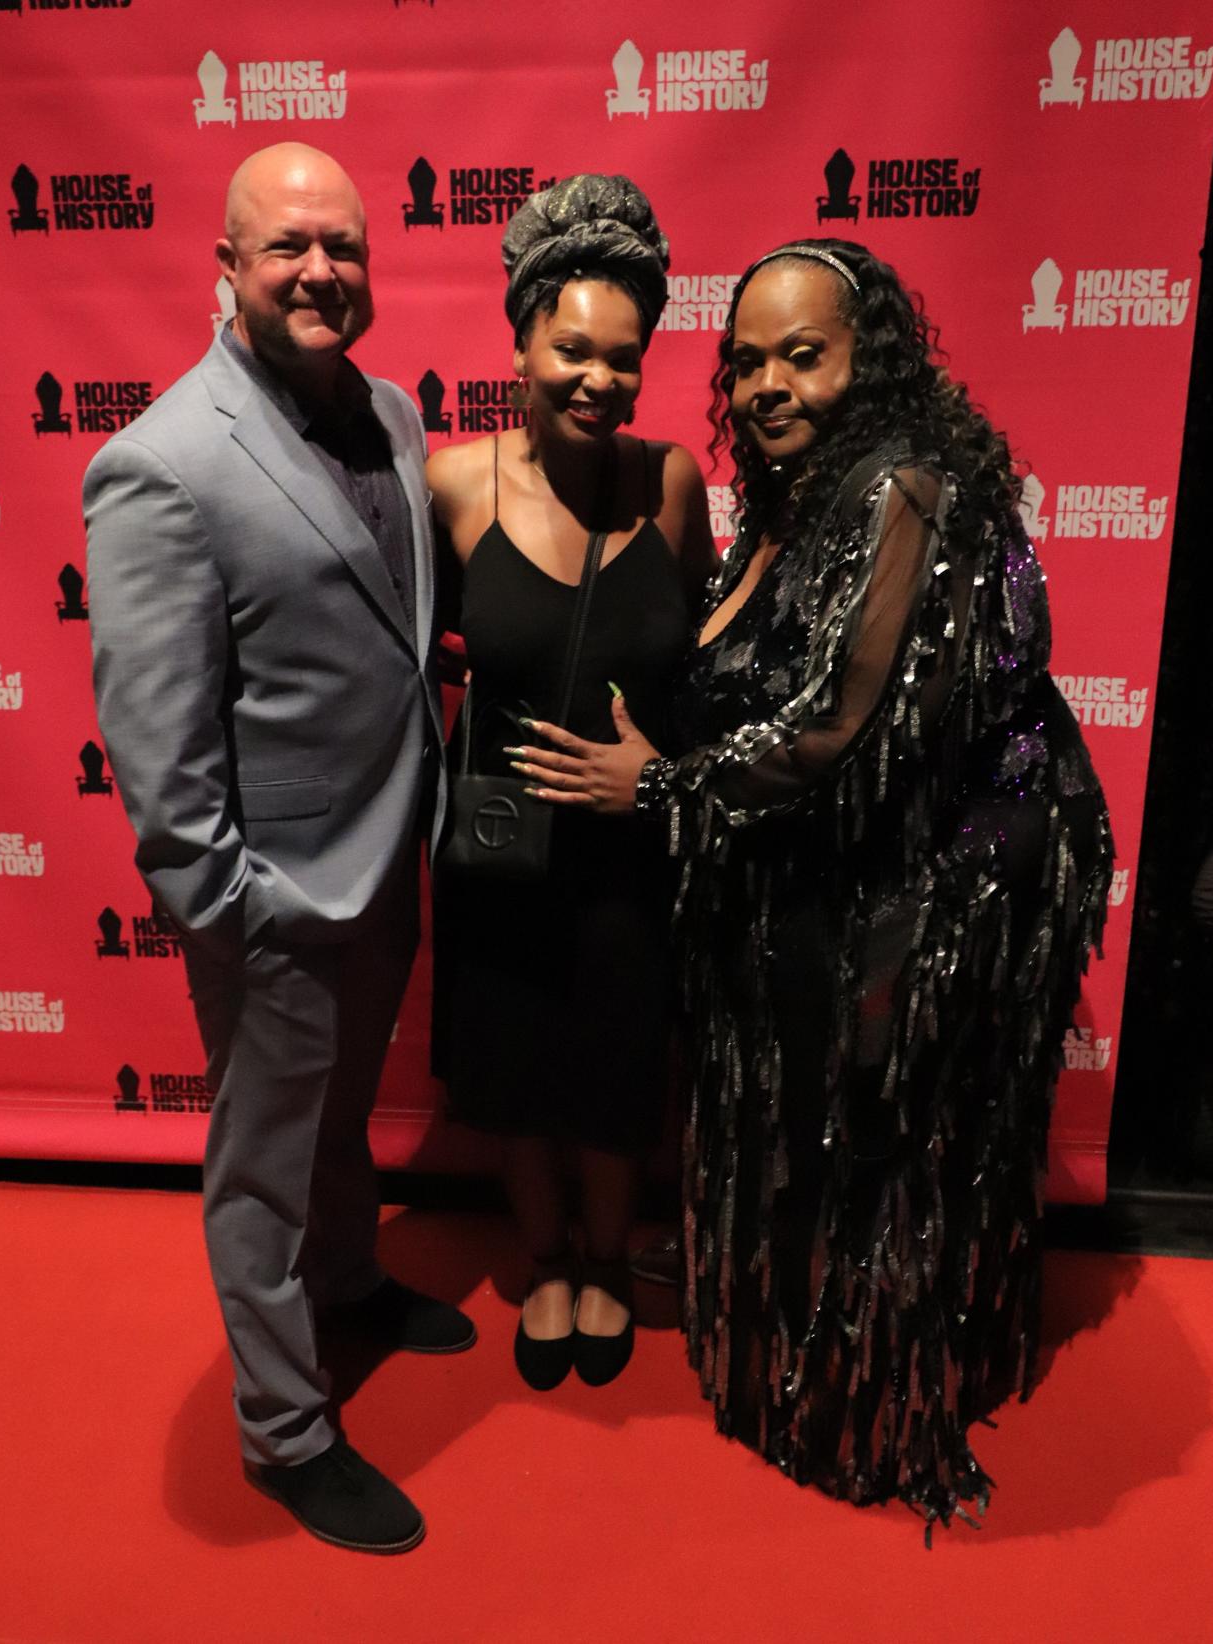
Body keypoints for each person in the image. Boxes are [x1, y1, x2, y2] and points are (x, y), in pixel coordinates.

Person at [515, 238, 1112, 1529]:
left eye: (804, 354)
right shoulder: (793, 497)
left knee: (872, 1125)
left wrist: (656, 789)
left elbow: (838, 727)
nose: (769, 384)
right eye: (747, 361)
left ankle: (855, 1394)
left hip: (942, 873)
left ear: (871, 358)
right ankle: (779, 1334)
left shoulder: (900, 488)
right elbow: (765, 685)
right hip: (835, 852)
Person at [83, 142, 475, 1556]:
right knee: (260, 1163)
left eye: (345, 248)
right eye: (287, 247)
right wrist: (227, 907)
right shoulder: (162, 465)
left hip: (386, 864)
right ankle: (283, 1431)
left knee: (343, 1115)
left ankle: (354, 1282)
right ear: (225, 269)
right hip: (273, 898)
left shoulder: (387, 408)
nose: (321, 271)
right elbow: (154, 732)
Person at [427, 175, 715, 1390]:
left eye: (624, 358)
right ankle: (543, 1258)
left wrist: (659, 779)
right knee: (515, 1058)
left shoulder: (674, 482)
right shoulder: (453, 483)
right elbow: (406, 644)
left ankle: (604, 1257)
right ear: (520, 341)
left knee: (610, 1064)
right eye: (572, 350)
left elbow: (706, 659)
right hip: (501, 844)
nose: (599, 379)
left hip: (628, 852)